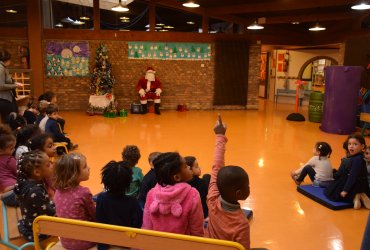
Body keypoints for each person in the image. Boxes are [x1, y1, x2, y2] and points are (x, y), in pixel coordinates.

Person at [205, 115, 251, 250]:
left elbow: (217, 166)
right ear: (239, 193)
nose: (249, 187)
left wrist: (220, 135)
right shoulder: (241, 224)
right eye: (247, 185)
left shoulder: (212, 199)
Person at [142, 152, 204, 236]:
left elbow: (147, 226)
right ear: (177, 177)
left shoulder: (151, 194)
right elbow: (197, 230)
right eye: (185, 166)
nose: (189, 167)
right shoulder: (192, 194)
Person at [96, 160, 143, 250]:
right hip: (127, 241)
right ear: (128, 182)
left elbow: (99, 220)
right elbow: (138, 224)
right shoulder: (132, 202)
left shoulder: (101, 198)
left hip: (108, 239)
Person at [53, 153, 96, 249]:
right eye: (85, 167)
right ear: (73, 174)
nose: (89, 168)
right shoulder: (83, 192)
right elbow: (94, 215)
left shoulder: (57, 192)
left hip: (66, 242)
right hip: (86, 241)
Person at [14, 150, 55, 241]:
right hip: (37, 230)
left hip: (29, 221)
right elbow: (49, 213)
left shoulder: (25, 182)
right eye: (48, 165)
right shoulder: (36, 191)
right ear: (37, 172)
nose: (52, 166)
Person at [325, 133, 370, 209]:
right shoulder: (360, 156)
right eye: (349, 144)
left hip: (357, 183)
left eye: (355, 144)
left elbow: (353, 176)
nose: (351, 146)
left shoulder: (357, 159)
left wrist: (345, 190)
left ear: (362, 146)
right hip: (362, 184)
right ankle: (359, 196)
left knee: (334, 193)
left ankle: (357, 195)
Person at [0, 48, 22, 123]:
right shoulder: (1, 68)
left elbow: (7, 81)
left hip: (7, 98)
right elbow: (1, 86)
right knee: (11, 120)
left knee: (13, 118)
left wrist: (15, 83)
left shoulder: (3, 67)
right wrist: (15, 86)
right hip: (4, 99)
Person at [0, 124, 18, 206]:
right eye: (11, 148)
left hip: (3, 189)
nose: (13, 150)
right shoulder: (9, 160)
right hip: (12, 188)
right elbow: (19, 172)